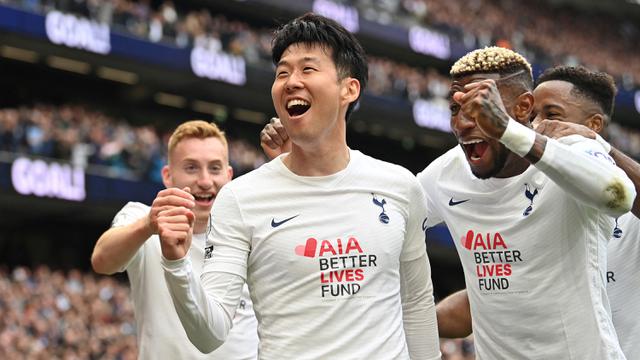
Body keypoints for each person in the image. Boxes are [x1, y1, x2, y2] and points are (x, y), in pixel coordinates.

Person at [159, 13, 441, 359]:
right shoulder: (240, 198)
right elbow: (210, 334)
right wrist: (175, 264)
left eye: (308, 69)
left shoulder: (399, 186)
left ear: (349, 89)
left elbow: (416, 303)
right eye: (282, 72)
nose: (291, 81)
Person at [435, 65, 640, 359]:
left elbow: (619, 194)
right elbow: (492, 296)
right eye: (530, 116)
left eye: (551, 115)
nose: (535, 125)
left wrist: (601, 148)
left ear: (593, 125)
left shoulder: (623, 196)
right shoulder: (536, 196)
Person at [91, 120, 258, 360]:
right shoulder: (142, 217)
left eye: (214, 168)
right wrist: (148, 226)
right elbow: (102, 260)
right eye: (191, 168)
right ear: (168, 175)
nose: (204, 180)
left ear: (229, 175)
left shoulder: (251, 230)